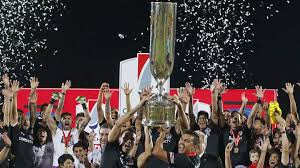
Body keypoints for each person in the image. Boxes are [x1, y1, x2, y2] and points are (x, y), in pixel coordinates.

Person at [100, 91, 152, 168]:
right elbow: (118, 124)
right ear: (120, 138)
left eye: (132, 140)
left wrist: (147, 128)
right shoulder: (111, 146)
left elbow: (148, 153)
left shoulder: (131, 162)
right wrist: (140, 104)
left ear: (135, 144)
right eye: (126, 137)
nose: (128, 141)